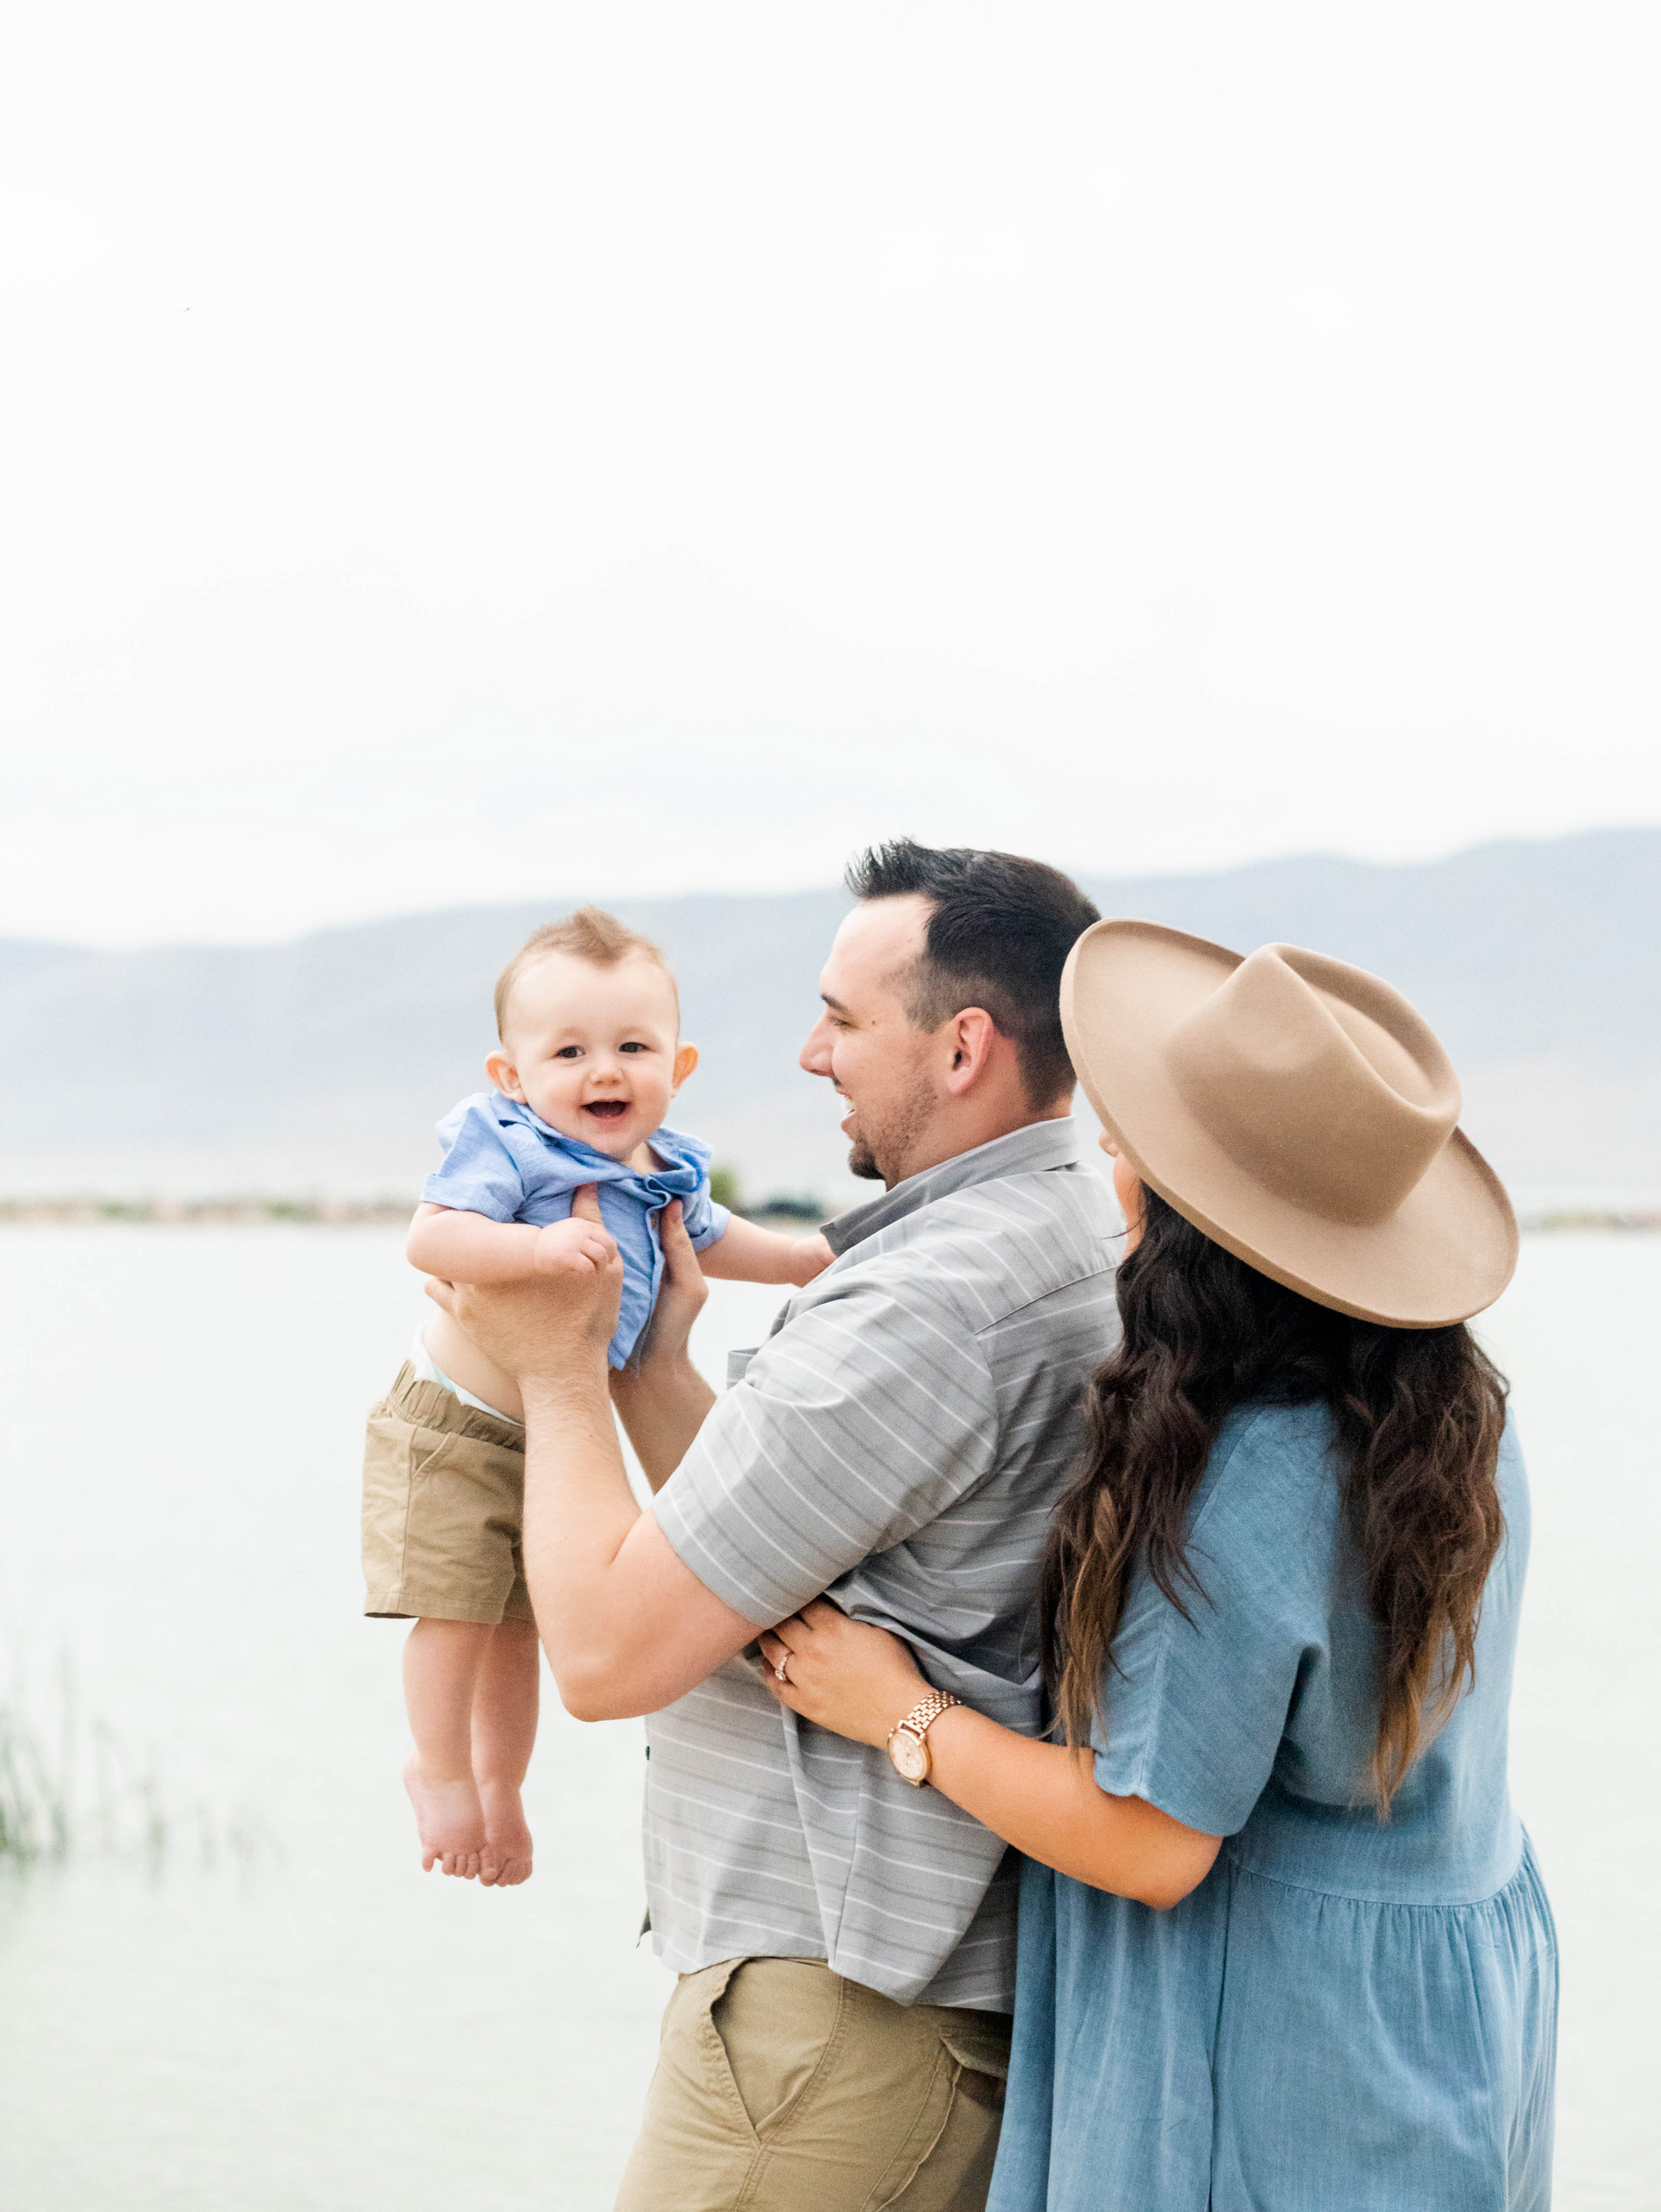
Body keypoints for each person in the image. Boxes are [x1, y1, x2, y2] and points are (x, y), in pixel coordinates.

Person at [753, 922, 1559, 2212]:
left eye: (1130, 1152)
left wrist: (898, 1711)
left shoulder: (1252, 1482)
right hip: (1452, 1994)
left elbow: (1149, 1843)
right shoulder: (1458, 1417)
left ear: (1198, 1229)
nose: (1106, 1171)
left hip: (1276, 2025)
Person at [420, 842, 1122, 2211]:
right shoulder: (1048, 1231)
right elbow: (780, 1561)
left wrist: (555, 1368)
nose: (810, 1055)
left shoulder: (935, 1305)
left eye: (842, 1020)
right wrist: (649, 1367)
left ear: (963, 1048)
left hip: (830, 2033)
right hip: (885, 2012)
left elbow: (608, 1656)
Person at [361, 905, 830, 1890]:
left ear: (679, 1066)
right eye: (569, 1052)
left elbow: (711, 1237)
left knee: (524, 1624)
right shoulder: (508, 1144)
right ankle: (436, 1765)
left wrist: (795, 1260)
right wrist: (533, 1247)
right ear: (512, 1075)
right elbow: (432, 1239)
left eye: (633, 1048)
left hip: (552, 1436)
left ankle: (502, 1789)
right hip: (455, 1420)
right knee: (457, 1610)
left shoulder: (668, 1168)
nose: (604, 1072)